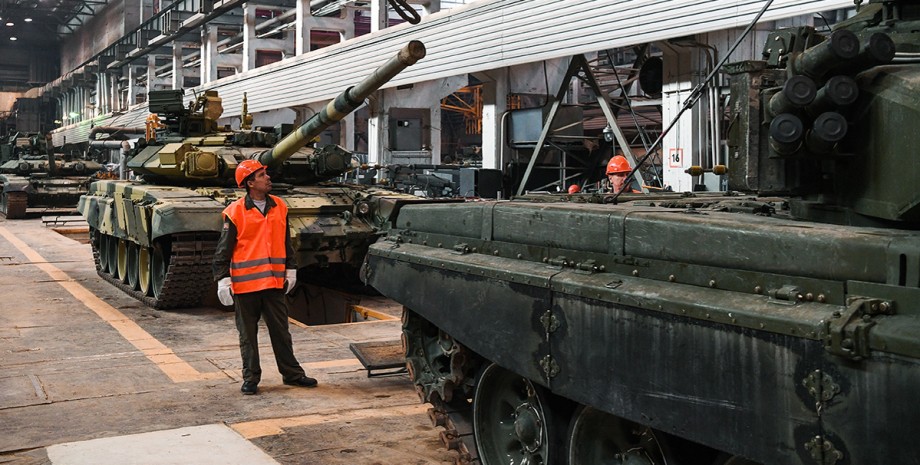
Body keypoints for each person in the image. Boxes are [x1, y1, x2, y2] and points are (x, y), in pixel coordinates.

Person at [212, 159, 318, 395]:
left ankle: (292, 374)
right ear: (250, 183)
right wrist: (223, 280)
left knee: (281, 332)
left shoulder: (279, 206)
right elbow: (223, 250)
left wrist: (291, 269)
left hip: (273, 283)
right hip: (245, 286)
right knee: (248, 335)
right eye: (261, 175)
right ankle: (251, 378)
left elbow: (285, 242)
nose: (268, 178)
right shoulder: (235, 212)